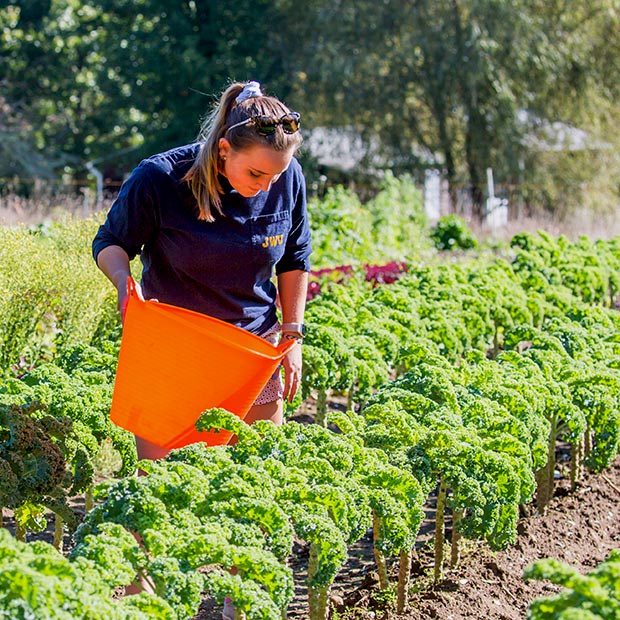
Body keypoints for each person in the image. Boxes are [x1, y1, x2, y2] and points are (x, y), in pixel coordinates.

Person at [92, 80, 311, 618]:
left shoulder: (286, 179)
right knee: (160, 494)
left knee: (252, 493)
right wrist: (125, 283)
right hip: (174, 351)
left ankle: (246, 607)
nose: (267, 186)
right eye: (255, 173)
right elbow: (110, 242)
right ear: (222, 151)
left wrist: (293, 332)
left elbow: (295, 257)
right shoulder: (160, 180)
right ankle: (144, 606)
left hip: (250, 352)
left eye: (277, 175)